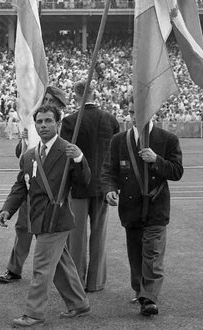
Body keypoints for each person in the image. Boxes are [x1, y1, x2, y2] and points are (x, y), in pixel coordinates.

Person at [0, 104, 91, 327]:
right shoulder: (30, 155)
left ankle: (34, 313)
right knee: (60, 265)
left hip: (57, 219)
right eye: (39, 122)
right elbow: (21, 185)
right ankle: (79, 304)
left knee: (41, 268)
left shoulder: (68, 151)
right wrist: (7, 209)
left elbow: (83, 181)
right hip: (38, 219)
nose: (43, 125)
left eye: (48, 121)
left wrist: (79, 159)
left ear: (57, 124)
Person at [101, 102, 183, 317]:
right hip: (131, 208)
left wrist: (157, 160)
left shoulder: (168, 139)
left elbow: (177, 172)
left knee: (153, 254)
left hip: (156, 207)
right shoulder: (119, 140)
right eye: (131, 112)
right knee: (135, 254)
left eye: (140, 111)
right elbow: (110, 171)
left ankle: (149, 298)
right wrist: (110, 190)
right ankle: (140, 290)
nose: (135, 115)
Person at [0, 86, 68, 284]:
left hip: (53, 193)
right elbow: (22, 155)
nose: (46, 102)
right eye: (46, 98)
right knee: (23, 228)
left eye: (51, 100)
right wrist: (23, 142)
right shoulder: (35, 120)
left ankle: (64, 277)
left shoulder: (65, 123)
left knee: (55, 238)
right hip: (32, 185)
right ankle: (14, 269)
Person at [61, 81, 119, 292]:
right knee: (99, 234)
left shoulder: (70, 121)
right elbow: (115, 155)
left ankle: (76, 280)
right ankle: (96, 282)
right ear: (95, 93)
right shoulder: (110, 120)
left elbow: (66, 156)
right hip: (103, 185)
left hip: (78, 185)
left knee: (76, 238)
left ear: (76, 95)